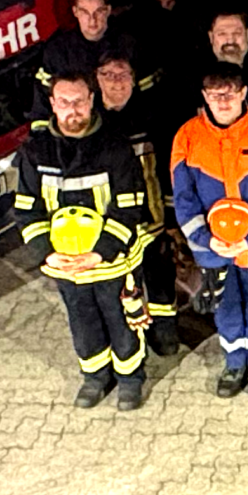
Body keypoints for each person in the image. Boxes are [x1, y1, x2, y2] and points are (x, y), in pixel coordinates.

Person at [15, 72, 156, 411]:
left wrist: (100, 253)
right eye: (64, 102)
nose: (72, 110)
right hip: (66, 266)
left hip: (111, 263)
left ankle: (130, 381)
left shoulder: (114, 146)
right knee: (83, 324)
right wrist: (46, 255)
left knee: (123, 323)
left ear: (91, 101)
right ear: (52, 104)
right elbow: (26, 208)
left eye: (79, 101)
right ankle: (95, 377)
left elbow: (129, 206)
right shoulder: (35, 152)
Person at [170, 65, 248, 398]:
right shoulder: (187, 136)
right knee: (225, 303)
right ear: (204, 97)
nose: (222, 101)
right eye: (214, 95)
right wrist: (205, 239)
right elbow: (183, 197)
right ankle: (234, 364)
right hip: (213, 248)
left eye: (229, 94)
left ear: (243, 94)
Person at [96, 55, 182, 351]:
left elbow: (169, 167)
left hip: (152, 215)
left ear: (134, 79)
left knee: (159, 275)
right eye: (108, 75)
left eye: (123, 75)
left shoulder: (152, 115)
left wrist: (171, 215)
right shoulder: (93, 123)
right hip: (112, 221)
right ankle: (129, 336)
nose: (116, 81)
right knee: (122, 282)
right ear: (97, 79)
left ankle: (165, 330)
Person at [41, 0, 152, 92]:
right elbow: (46, 93)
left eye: (98, 11)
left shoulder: (130, 44)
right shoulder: (58, 50)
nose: (92, 19)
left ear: (108, 10)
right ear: (75, 12)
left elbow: (145, 90)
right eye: (85, 12)